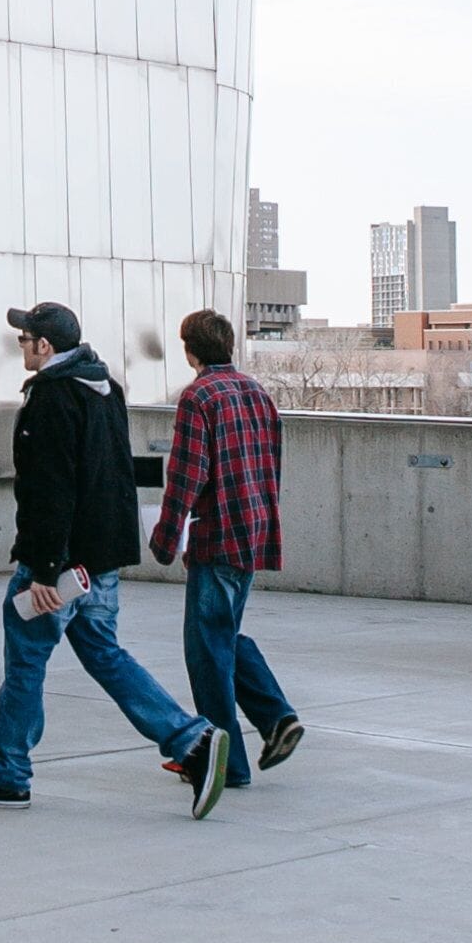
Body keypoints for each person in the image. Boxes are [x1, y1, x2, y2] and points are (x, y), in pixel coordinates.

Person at [0, 302, 225, 815]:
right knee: (105, 655)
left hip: (59, 563)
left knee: (26, 663)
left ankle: (7, 775)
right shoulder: (105, 388)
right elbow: (113, 476)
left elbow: (49, 489)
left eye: (24, 340)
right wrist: (104, 558)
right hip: (97, 561)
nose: (21, 348)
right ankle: (192, 741)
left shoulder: (51, 397)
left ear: (45, 346)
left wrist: (45, 569)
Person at [149, 309, 304, 790]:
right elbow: (271, 463)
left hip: (217, 536)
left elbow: (187, 476)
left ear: (189, 349)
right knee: (220, 636)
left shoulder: (198, 397)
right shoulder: (256, 391)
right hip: (253, 529)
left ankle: (227, 762)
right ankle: (275, 720)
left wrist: (166, 536)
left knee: (206, 651)